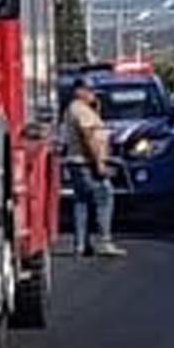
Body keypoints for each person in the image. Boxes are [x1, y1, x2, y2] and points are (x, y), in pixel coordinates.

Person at [61, 79, 121, 258]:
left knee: (82, 202)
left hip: (77, 161)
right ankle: (104, 241)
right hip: (85, 162)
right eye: (90, 91)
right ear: (80, 91)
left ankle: (81, 244)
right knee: (105, 195)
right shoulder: (80, 110)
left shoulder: (79, 109)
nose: (93, 95)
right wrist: (98, 163)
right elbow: (88, 137)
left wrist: (96, 109)